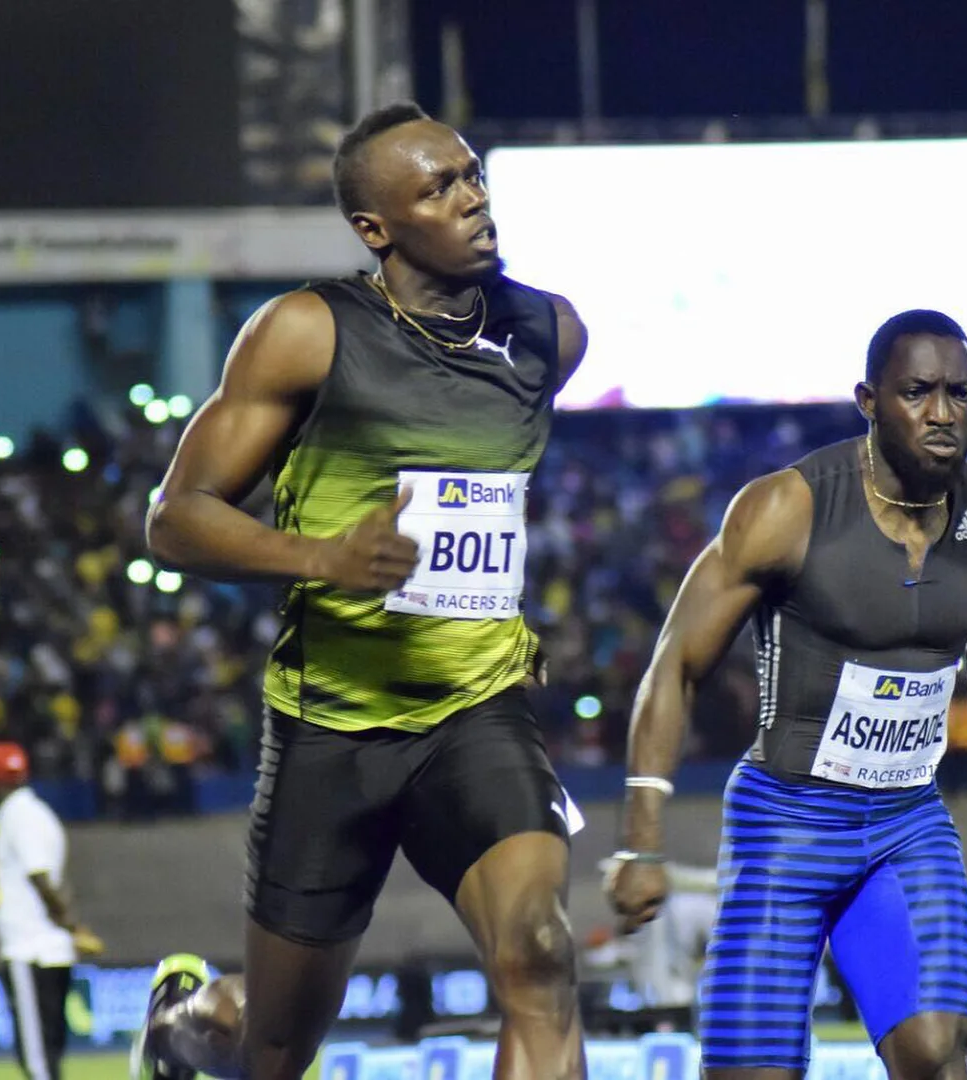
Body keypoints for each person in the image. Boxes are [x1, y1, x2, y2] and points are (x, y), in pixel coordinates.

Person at [131, 101, 588, 1080]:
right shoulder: (307, 331)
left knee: (541, 958)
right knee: (278, 1048)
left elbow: (480, 503)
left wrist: (489, 601)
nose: (474, 198)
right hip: (330, 729)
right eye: (440, 187)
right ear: (376, 228)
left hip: (477, 713)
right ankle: (184, 1030)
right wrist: (322, 558)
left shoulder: (550, 334)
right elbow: (175, 519)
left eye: (472, 174)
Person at [606, 309, 967, 1080]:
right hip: (784, 824)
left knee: (938, 1051)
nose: (943, 414)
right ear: (868, 400)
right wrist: (641, 839)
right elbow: (674, 667)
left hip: (907, 822)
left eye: (961, 393)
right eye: (917, 392)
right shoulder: (786, 510)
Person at [0, 741, 104, 1080]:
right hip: (47, 950)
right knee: (47, 1053)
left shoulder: (17, 815)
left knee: (36, 1059)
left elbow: (40, 877)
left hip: (31, 949)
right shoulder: (37, 812)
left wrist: (71, 925)